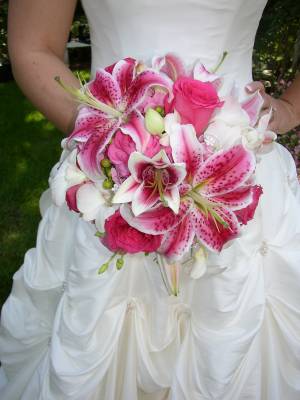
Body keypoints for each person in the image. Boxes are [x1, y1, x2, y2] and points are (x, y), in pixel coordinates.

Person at [0, 0, 300, 399]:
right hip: (108, 184)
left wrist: (290, 107)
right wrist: (114, 145)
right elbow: (32, 45)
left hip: (237, 182)